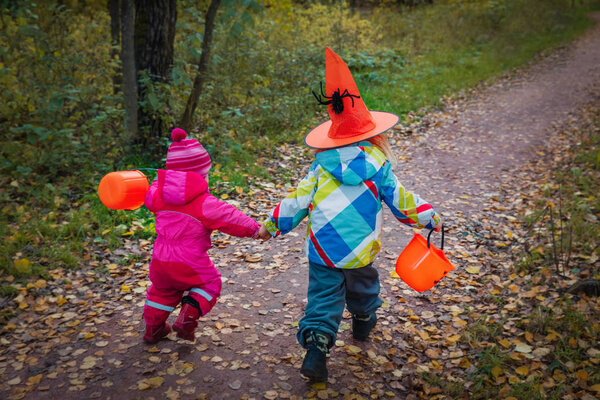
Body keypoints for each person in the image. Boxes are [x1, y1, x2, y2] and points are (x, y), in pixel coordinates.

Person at [256, 47, 442, 381]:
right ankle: (363, 321)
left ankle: (317, 348)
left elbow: (297, 201)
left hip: (324, 249)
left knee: (323, 300)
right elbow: (402, 201)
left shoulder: (319, 167)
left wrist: (271, 225)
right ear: (374, 134)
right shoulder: (379, 166)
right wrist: (428, 216)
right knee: (363, 291)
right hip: (359, 251)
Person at [143, 128, 260, 343]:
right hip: (190, 261)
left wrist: (156, 184)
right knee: (210, 283)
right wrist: (254, 229)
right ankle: (187, 318)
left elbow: (147, 195)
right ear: (200, 174)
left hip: (159, 259)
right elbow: (230, 217)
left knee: (161, 291)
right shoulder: (204, 202)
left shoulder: (156, 194)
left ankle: (153, 329)